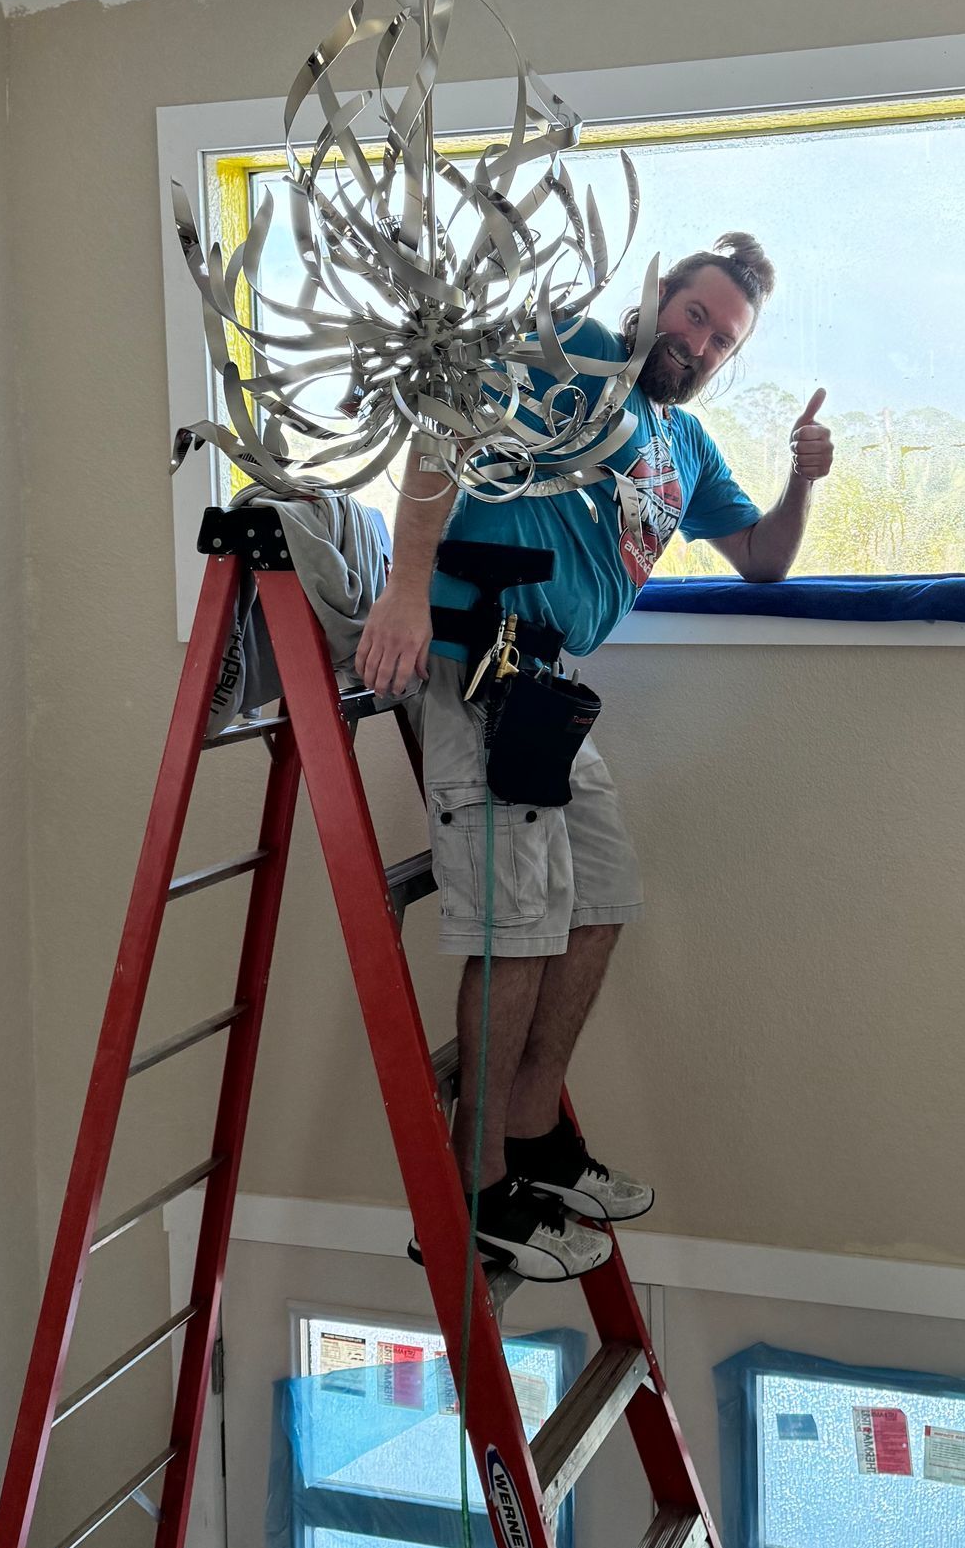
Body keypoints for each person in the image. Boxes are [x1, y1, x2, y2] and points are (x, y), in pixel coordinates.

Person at [354, 231, 833, 1280]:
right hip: (478, 664)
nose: (702, 341)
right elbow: (444, 420)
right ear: (658, 296)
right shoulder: (568, 350)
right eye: (695, 314)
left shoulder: (685, 447)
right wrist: (402, 585)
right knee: (515, 931)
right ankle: (480, 1188)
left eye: (723, 337)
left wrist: (803, 482)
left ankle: (534, 1141)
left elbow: (760, 562)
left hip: (549, 691)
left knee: (603, 895)